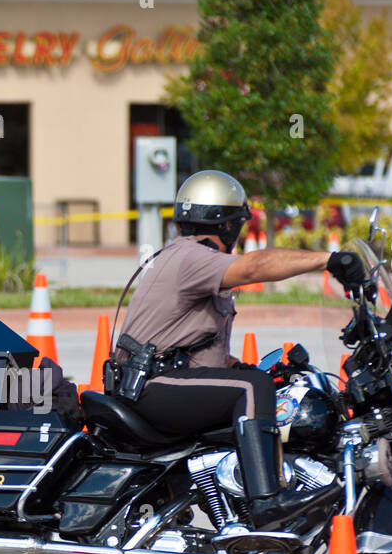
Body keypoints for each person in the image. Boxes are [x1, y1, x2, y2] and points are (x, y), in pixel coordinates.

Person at [112, 169, 363, 530]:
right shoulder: (191, 258)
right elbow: (255, 267)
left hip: (162, 380)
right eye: (238, 224)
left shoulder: (187, 258)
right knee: (251, 389)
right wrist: (329, 260)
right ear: (227, 224)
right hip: (153, 386)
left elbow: (188, 345)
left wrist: (246, 367)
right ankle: (267, 501)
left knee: (256, 381)